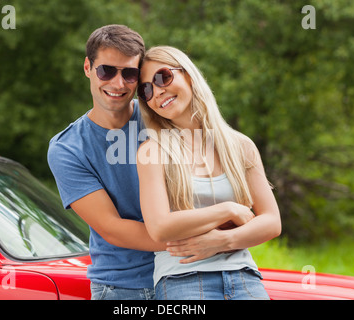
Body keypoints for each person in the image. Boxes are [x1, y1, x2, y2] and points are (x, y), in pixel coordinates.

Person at [136, 46, 282, 300]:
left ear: (188, 75)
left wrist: (222, 241)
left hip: (243, 274)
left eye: (162, 77)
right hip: (183, 279)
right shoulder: (152, 151)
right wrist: (230, 210)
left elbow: (271, 222)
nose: (157, 91)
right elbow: (160, 227)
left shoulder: (241, 146)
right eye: (146, 90)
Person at [48, 25, 163, 300]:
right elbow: (113, 228)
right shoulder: (67, 148)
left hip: (184, 273)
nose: (118, 83)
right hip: (122, 286)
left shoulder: (163, 118)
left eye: (129, 73)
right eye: (106, 71)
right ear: (88, 67)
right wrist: (200, 241)